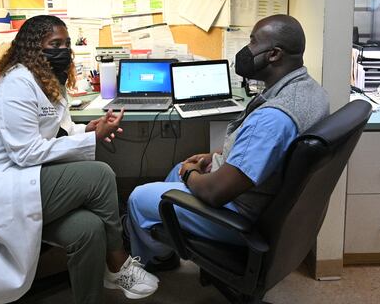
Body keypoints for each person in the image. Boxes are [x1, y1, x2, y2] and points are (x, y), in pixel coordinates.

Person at [0, 15, 158, 304]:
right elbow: (26, 151)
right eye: (55, 44)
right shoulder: (15, 84)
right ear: (32, 48)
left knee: (88, 229)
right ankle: (118, 263)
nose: (63, 50)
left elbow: (51, 132)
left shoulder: (47, 82)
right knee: (100, 174)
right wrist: (89, 140)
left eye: (66, 44)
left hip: (18, 178)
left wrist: (86, 130)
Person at [125, 14, 330, 270]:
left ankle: (146, 264)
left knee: (138, 197)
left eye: (253, 42)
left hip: (237, 216)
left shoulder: (274, 119)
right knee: (174, 170)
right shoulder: (310, 90)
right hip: (264, 199)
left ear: (274, 54)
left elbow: (215, 192)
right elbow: (264, 150)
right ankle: (168, 248)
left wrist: (191, 174)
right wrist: (215, 158)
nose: (247, 50)